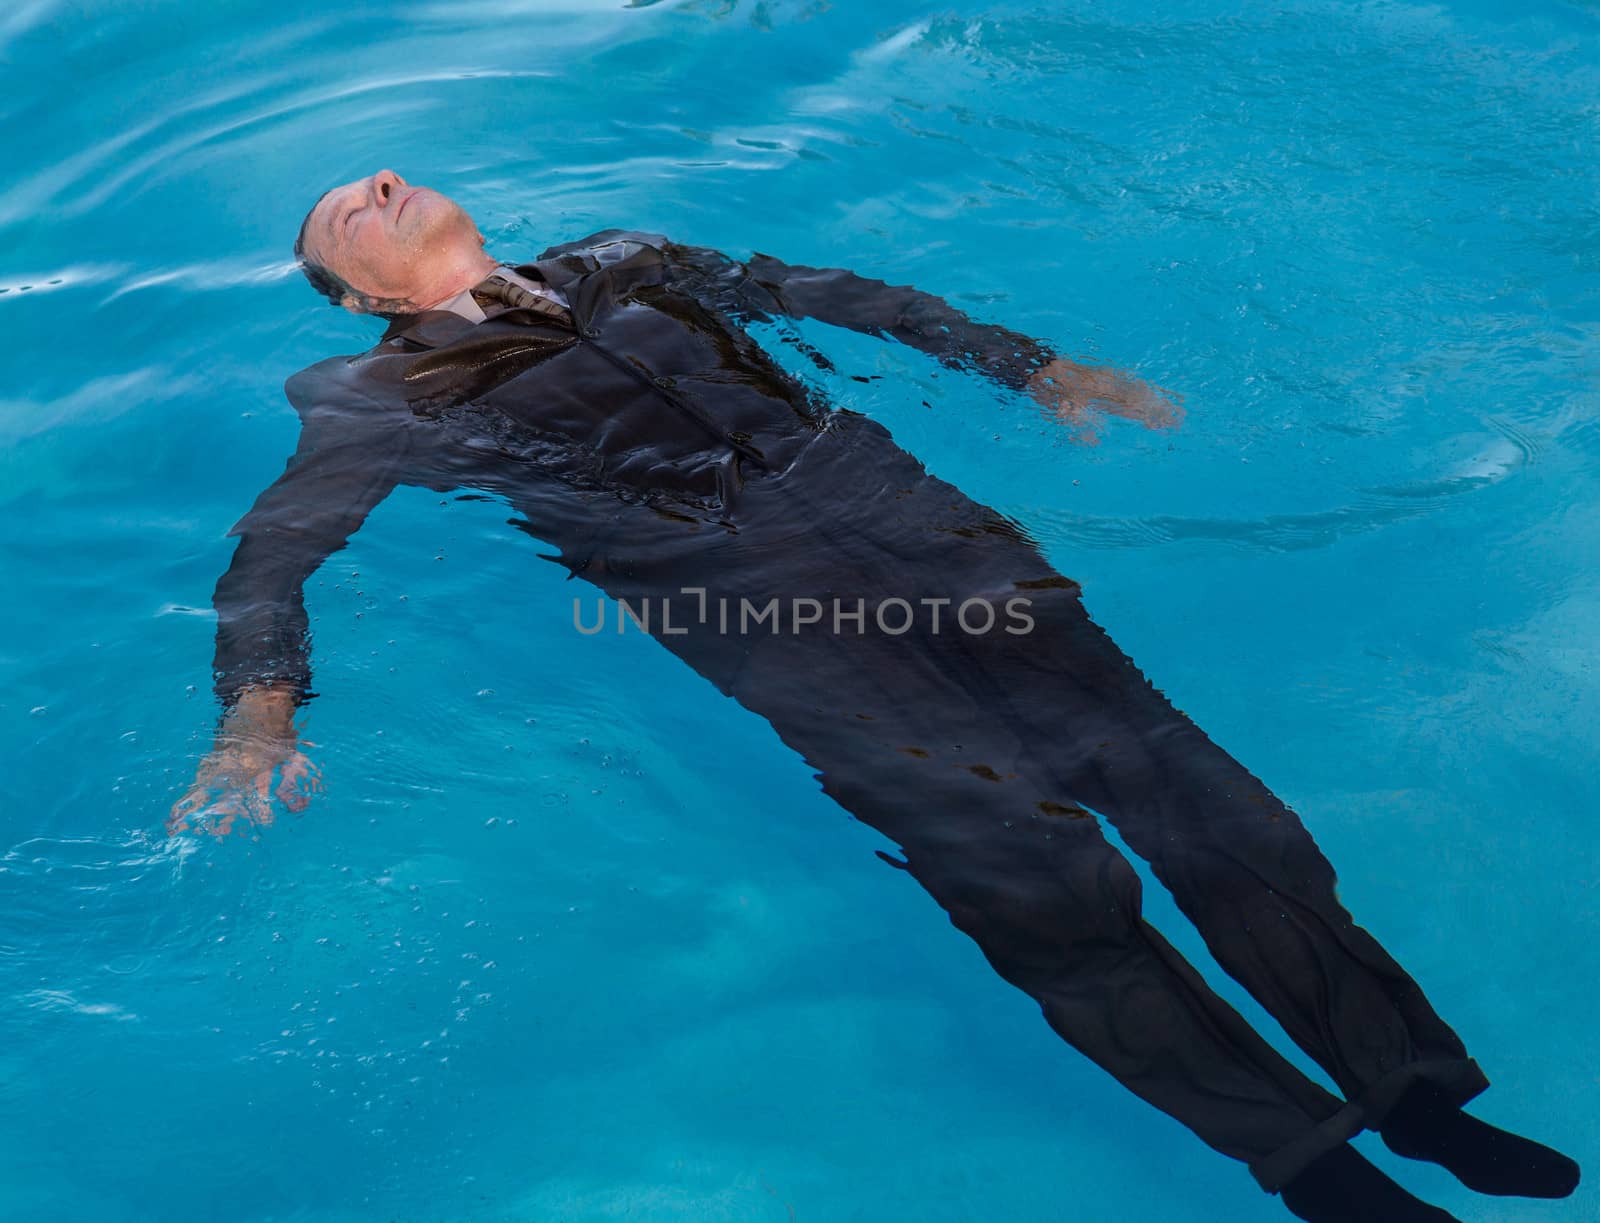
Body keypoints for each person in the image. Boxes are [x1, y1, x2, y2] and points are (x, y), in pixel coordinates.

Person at [171, 168, 1580, 1222]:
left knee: (1212, 809)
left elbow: (823, 297)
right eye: (341, 216)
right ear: (358, 297)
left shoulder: (628, 254)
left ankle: (1415, 1097)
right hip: (758, 607)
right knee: (1034, 877)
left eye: (376, 178)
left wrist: (1026, 362)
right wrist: (260, 707)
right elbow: (275, 551)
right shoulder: (372, 399)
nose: (371, 186)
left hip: (911, 525)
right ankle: (1314, 1168)